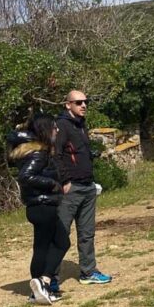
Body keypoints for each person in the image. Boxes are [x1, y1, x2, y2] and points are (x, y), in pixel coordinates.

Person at [7, 113, 69, 305]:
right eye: (54, 127)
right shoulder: (38, 152)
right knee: (52, 244)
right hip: (42, 205)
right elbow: (26, 176)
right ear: (45, 129)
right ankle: (41, 283)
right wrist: (52, 184)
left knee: (56, 243)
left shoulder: (33, 150)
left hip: (39, 205)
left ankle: (41, 286)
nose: (57, 130)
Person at [55, 90, 111, 285]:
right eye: (79, 102)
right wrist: (64, 181)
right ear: (68, 104)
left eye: (86, 101)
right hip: (71, 189)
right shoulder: (61, 125)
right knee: (60, 234)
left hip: (87, 187)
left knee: (87, 233)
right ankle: (50, 279)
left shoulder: (81, 125)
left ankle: (88, 272)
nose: (84, 105)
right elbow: (56, 155)